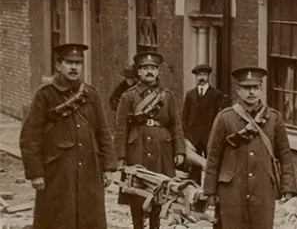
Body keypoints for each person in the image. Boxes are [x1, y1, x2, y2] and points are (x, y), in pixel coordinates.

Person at [19, 43, 118, 229]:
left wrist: (108, 167)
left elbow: (103, 132)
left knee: (90, 219)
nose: (74, 67)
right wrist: (36, 173)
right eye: (69, 63)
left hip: (89, 169)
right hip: (57, 172)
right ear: (58, 65)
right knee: (58, 218)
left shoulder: (90, 94)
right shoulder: (45, 95)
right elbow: (29, 137)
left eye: (78, 63)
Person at [203, 66, 297, 229]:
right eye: (246, 88)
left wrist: (288, 185)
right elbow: (213, 156)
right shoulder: (225, 118)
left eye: (255, 87)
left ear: (261, 89)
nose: (251, 92)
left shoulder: (273, 118)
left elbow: (285, 154)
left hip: (263, 189)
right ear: (238, 90)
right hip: (232, 189)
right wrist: (210, 190)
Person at [114, 51, 186, 229]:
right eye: (145, 68)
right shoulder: (128, 96)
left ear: (158, 72)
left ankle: (156, 225)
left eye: (153, 68)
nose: (149, 72)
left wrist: (179, 150)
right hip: (137, 147)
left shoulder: (167, 96)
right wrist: (121, 156)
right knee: (136, 191)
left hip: (162, 148)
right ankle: (137, 226)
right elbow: (121, 127)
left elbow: (176, 124)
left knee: (160, 191)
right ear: (138, 72)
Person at [182, 64, 227, 184]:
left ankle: (210, 190)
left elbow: (220, 117)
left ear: (208, 77)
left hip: (209, 136)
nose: (201, 78)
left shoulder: (216, 95)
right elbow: (184, 117)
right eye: (199, 75)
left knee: (211, 165)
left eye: (204, 75)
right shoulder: (190, 94)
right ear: (195, 77)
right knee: (194, 166)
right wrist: (186, 138)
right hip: (194, 138)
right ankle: (194, 189)